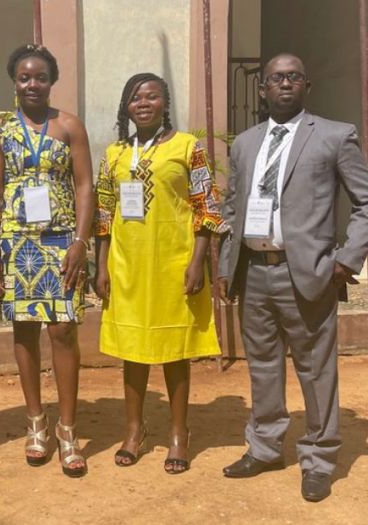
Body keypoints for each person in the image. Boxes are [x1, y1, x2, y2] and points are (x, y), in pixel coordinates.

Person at [217, 53, 368, 502]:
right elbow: (232, 208)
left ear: (306, 85)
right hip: (254, 273)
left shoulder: (333, 135)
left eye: (293, 77)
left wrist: (345, 261)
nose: (284, 84)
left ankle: (319, 457)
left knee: (315, 371)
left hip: (307, 274)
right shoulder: (245, 144)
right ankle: (266, 447)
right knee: (263, 368)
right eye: (276, 78)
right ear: (262, 89)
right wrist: (224, 265)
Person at [94, 73, 228, 474]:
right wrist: (100, 265)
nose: (144, 102)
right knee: (132, 351)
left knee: (174, 353)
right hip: (127, 266)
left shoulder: (189, 148)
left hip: (173, 263)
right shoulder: (114, 153)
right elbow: (103, 214)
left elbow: (206, 207)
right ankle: (134, 431)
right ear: (126, 107)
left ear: (165, 102)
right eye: (136, 97)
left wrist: (197, 262)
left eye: (152, 96)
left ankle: (177, 434)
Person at [0, 44, 94, 477]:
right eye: (25, 77)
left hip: (61, 239)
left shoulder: (69, 125)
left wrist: (81, 243)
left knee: (64, 331)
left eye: (41, 77)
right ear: (15, 80)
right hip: (17, 242)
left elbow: (84, 186)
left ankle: (68, 429)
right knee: (24, 329)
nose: (33, 84)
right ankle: (36, 422)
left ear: (53, 80)